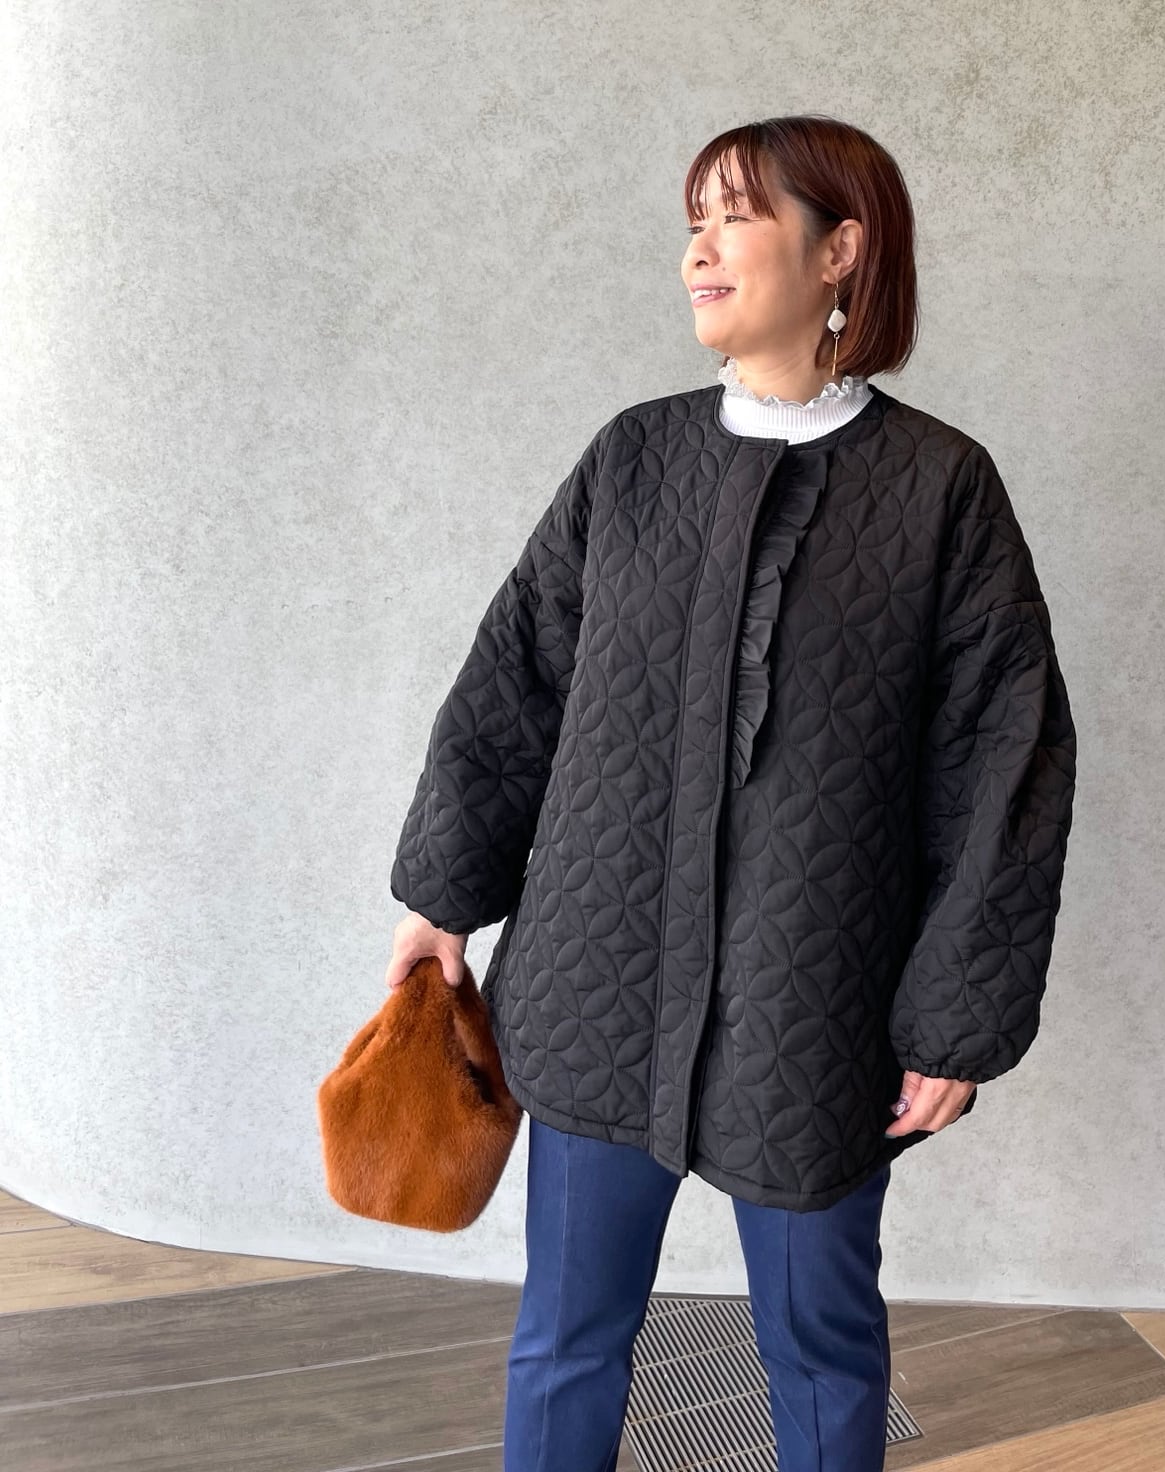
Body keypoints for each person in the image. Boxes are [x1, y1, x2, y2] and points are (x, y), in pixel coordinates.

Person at [385, 114, 1077, 1472]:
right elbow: (514, 684)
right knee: (566, 1335)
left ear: (841, 251)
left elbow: (1005, 763)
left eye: (737, 216)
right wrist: (441, 897)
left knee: (821, 1346)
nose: (698, 249)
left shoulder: (940, 488)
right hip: (598, 976)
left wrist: (958, 1015)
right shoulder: (631, 461)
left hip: (815, 998)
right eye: (692, 221)